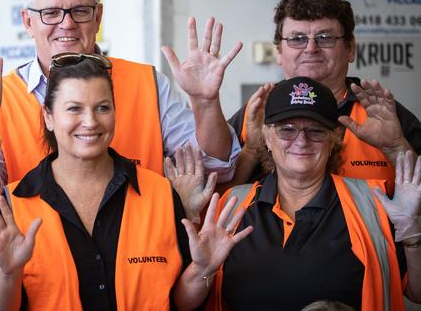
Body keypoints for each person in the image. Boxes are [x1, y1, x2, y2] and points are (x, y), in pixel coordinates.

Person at [0, 53, 249, 310]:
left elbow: (179, 302)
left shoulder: (162, 195)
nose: (90, 121)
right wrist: (8, 274)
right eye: (74, 109)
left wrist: (204, 269)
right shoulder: (14, 205)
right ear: (49, 118)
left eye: (102, 108)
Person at [0, 0, 242, 195]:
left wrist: (205, 103)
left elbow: (216, 168)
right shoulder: (1, 99)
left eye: (80, 11)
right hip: (37, 260)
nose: (67, 23)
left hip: (140, 255)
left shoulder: (147, 83)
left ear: (98, 17)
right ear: (27, 21)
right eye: (50, 13)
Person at [178, 76, 421, 310]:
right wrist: (202, 270)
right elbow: (182, 303)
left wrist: (413, 234)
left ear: (333, 138)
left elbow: (416, 293)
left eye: (315, 130)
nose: (301, 141)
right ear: (267, 138)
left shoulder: (373, 203)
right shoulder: (230, 207)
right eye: (287, 129)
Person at [226, 0, 421, 190]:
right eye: (297, 38)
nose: (311, 48)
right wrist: (251, 151)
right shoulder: (258, 110)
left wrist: (395, 148)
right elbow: (216, 197)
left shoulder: (381, 113)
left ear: (350, 48)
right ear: (279, 51)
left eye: (325, 37)